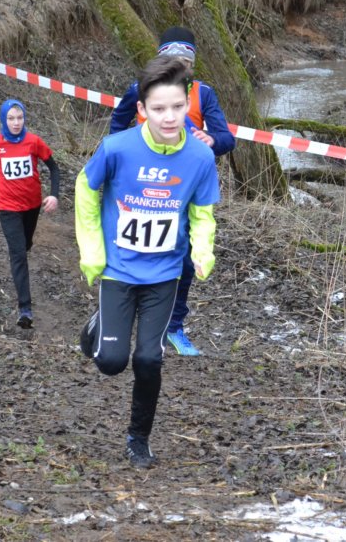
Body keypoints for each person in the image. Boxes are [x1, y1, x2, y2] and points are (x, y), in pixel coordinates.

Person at [76, 55, 221, 468]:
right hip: (118, 270)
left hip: (164, 273)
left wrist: (203, 250)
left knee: (148, 359)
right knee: (111, 363)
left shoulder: (200, 157)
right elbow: (85, 189)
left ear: (188, 103)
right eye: (158, 108)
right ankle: (99, 324)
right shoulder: (117, 148)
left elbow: (202, 212)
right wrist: (93, 251)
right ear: (141, 109)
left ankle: (138, 439)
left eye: (177, 106)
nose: (169, 117)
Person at [108, 26, 235, 356]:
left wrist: (211, 139)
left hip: (185, 188)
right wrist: (119, 160)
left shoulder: (203, 94)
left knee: (186, 261)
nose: (180, 67)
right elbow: (117, 124)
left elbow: (227, 139)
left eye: (186, 62)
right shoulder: (139, 89)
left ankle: (174, 327)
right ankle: (121, 314)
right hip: (142, 184)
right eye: (173, 61)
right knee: (135, 250)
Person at [0, 100, 60, 329]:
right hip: (7, 208)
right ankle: (25, 309)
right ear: (3, 119)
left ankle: (23, 248)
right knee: (18, 254)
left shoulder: (34, 141)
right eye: (11, 118)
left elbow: (54, 168)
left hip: (32, 205)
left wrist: (54, 195)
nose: (16, 123)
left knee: (25, 245)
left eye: (19, 118)